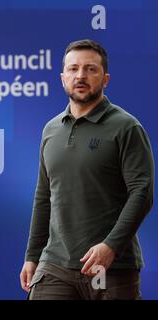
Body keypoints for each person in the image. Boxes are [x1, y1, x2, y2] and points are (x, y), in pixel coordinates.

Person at [20, 39, 154, 300]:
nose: (80, 75)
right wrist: (32, 256)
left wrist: (111, 246)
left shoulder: (127, 127)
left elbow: (142, 192)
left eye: (90, 69)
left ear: (105, 79)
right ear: (62, 78)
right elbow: (44, 197)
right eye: (73, 69)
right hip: (55, 265)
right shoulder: (51, 130)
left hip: (112, 268)